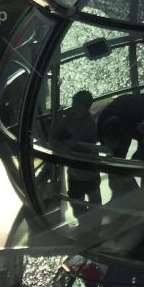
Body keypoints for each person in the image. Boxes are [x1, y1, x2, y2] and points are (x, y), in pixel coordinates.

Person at [53, 90, 101, 218]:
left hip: (88, 170)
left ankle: (93, 224)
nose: (73, 107)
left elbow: (70, 143)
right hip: (75, 170)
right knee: (77, 202)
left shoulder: (88, 124)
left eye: (76, 105)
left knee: (94, 202)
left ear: (84, 108)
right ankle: (88, 222)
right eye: (73, 104)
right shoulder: (70, 117)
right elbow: (57, 136)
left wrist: (62, 142)